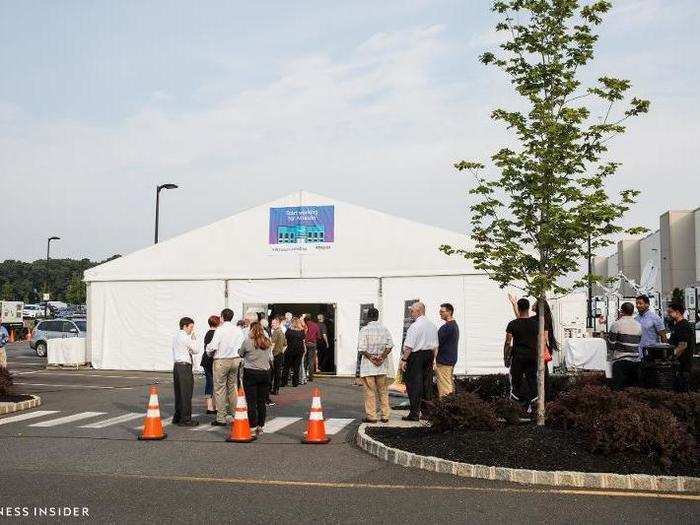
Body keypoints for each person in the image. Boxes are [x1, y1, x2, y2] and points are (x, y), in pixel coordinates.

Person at [399, 302, 438, 421]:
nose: (410, 313)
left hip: (416, 356)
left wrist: (404, 359)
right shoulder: (432, 325)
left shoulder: (415, 326)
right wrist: (433, 360)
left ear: (419, 311)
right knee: (427, 384)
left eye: (412, 311)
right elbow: (436, 346)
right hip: (429, 355)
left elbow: (409, 346)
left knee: (413, 385)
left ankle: (414, 413)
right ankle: (426, 412)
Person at [206, 308, 246, 426]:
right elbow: (241, 345)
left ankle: (221, 417)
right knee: (232, 387)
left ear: (222, 317)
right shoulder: (238, 330)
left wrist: (208, 351)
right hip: (235, 359)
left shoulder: (220, 330)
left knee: (219, 389)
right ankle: (235, 413)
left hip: (222, 360)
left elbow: (213, 346)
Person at [357, 307, 394, 423]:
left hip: (368, 366)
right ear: (377, 317)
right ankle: (385, 415)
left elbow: (361, 348)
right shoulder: (385, 329)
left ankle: (372, 416)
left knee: (369, 391)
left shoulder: (364, 330)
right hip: (382, 366)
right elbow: (390, 345)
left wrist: (371, 358)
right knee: (383, 391)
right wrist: (382, 357)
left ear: (368, 317)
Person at [505, 298, 539, 411]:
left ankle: (516, 410)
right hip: (532, 358)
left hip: (518, 358)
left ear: (518, 308)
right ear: (529, 308)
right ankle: (534, 410)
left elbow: (508, 342)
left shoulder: (513, 324)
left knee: (516, 383)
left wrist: (506, 357)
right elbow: (540, 342)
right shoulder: (536, 324)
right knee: (532, 382)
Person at [239, 321, 273, 435]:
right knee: (261, 401)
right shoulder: (267, 342)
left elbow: (241, 353)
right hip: (265, 373)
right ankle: (261, 425)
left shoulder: (248, 341)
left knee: (251, 402)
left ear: (251, 330)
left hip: (251, 372)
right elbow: (269, 356)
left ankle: (252, 426)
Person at [607, 302, 642, 390]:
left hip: (620, 361)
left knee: (618, 390)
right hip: (635, 361)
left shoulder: (616, 324)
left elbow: (611, 344)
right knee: (632, 390)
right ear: (633, 312)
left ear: (621, 311)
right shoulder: (639, 325)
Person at [172, 317, 199, 427]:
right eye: (191, 327)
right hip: (184, 367)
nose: (192, 330)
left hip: (177, 366)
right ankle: (185, 419)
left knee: (179, 393)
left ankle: (177, 416)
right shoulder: (185, 336)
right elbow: (196, 350)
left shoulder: (176, 336)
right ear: (185, 326)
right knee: (186, 393)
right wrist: (193, 339)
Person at [667, 302, 695, 393]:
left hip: (683, 366)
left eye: (670, 312)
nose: (668, 315)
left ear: (678, 312)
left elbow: (682, 346)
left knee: (682, 391)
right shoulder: (677, 325)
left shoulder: (683, 326)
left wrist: (672, 357)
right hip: (678, 366)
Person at [435, 303, 459, 397]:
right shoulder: (453, 325)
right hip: (449, 360)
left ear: (449, 312)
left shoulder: (448, 327)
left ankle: (446, 407)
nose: (440, 313)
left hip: (444, 361)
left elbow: (436, 344)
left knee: (444, 387)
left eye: (442, 311)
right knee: (448, 383)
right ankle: (451, 405)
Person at [201, 315, 220, 414]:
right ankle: (216, 406)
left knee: (209, 382)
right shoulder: (216, 333)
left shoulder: (208, 333)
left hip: (206, 360)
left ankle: (209, 407)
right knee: (216, 383)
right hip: (213, 360)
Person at [282, 317, 306, 387]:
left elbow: (286, 338)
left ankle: (284, 382)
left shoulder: (289, 331)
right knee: (296, 367)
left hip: (290, 350)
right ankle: (295, 383)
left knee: (286, 367)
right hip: (299, 351)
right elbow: (303, 338)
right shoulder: (302, 332)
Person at [270, 316, 286, 395]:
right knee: (278, 372)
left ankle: (272, 389)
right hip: (279, 354)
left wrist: (270, 355)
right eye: (272, 323)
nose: (272, 324)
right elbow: (285, 345)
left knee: (272, 373)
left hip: (275, 355)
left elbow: (272, 344)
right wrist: (281, 351)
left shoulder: (276, 332)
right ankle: (276, 389)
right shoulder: (282, 332)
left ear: (278, 324)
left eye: (274, 323)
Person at [304, 314, 321, 381]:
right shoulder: (315, 325)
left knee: (304, 360)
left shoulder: (304, 325)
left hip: (305, 344)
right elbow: (319, 336)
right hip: (313, 344)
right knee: (311, 360)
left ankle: (304, 376)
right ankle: (311, 377)